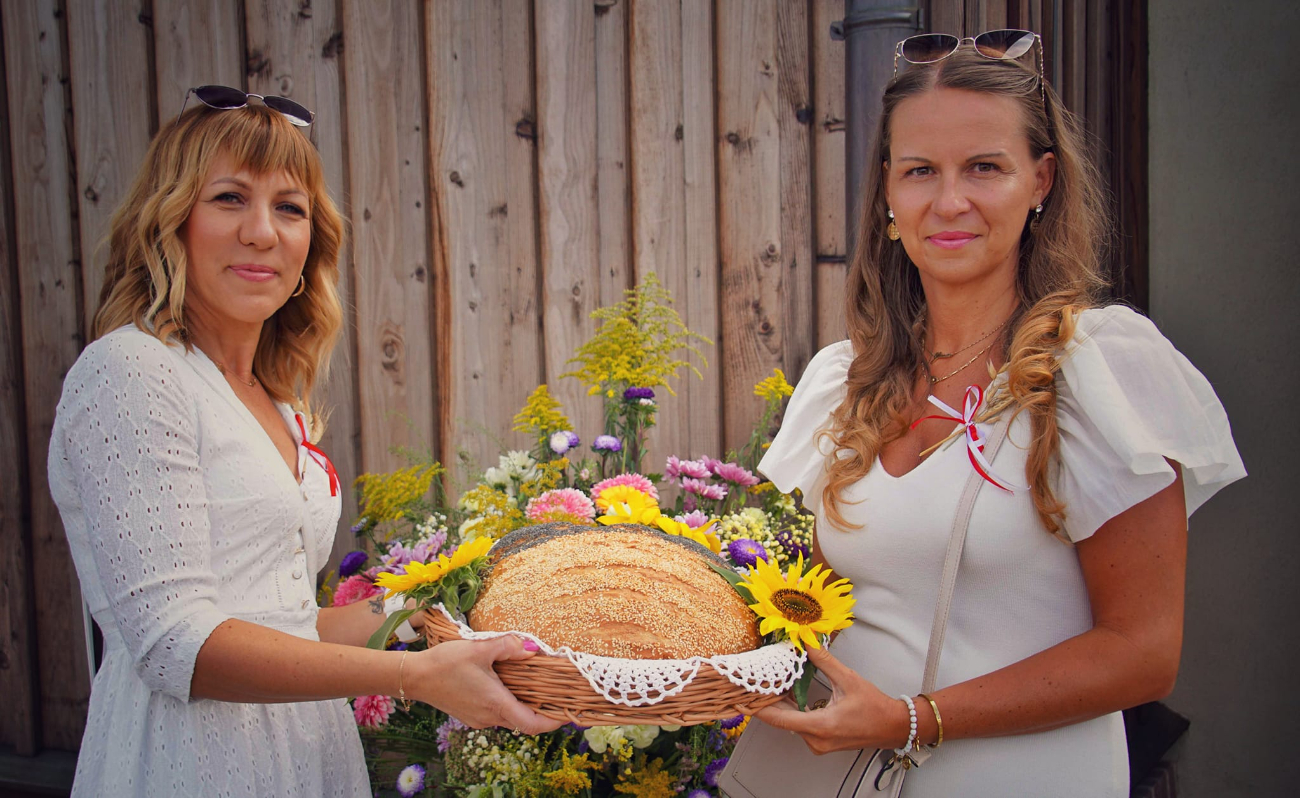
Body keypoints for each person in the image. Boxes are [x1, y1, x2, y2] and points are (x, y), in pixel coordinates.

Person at [752, 35, 1244, 797]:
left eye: (984, 167)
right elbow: (820, 606)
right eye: (920, 171)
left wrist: (915, 718)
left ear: (1040, 179)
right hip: (849, 785)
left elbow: (1143, 650)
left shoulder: (1101, 370)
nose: (950, 202)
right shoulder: (846, 382)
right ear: (887, 191)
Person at [48, 93, 560, 797]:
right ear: (172, 221)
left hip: (304, 748)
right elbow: (176, 644)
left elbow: (279, 619)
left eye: (289, 208)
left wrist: (425, 611)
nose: (262, 232)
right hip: (189, 761)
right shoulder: (130, 373)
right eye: (229, 198)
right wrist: (414, 677)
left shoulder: (273, 396)